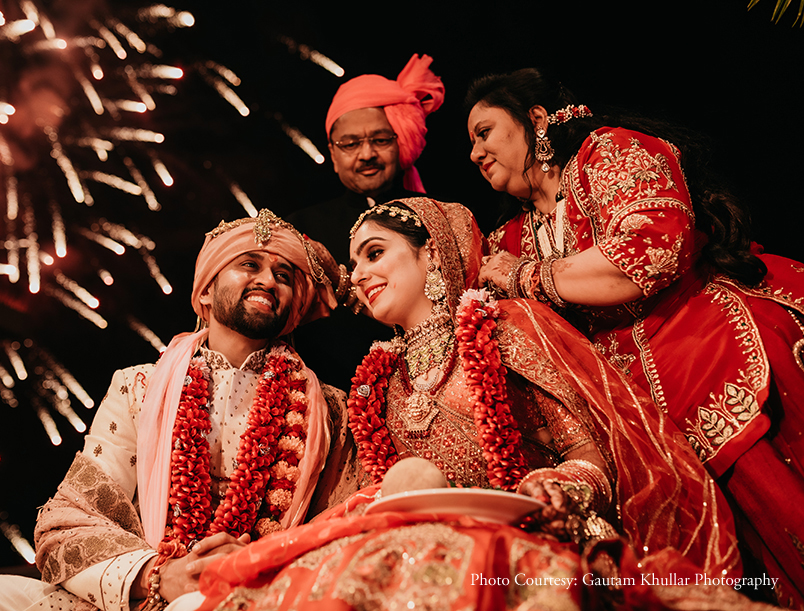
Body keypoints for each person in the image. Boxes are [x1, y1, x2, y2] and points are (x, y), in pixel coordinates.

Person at [191, 198, 773, 611]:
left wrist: (556, 490)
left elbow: (591, 454)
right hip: (421, 554)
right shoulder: (378, 385)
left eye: (374, 253)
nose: (359, 274)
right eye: (356, 262)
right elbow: (365, 501)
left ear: (430, 255)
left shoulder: (505, 329)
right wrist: (261, 549)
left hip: (526, 538)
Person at [0, 209, 359, 611]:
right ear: (205, 293)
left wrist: (247, 568)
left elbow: (343, 527)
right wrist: (161, 575)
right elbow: (66, 522)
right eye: (249, 264)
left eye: (284, 275)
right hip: (134, 588)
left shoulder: (329, 411)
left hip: (252, 594)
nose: (268, 280)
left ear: (295, 308)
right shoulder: (140, 386)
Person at [467, 68, 804, 608]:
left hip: (703, 337)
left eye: (484, 132)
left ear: (536, 119)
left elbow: (647, 252)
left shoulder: (607, 153)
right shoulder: (508, 237)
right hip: (629, 408)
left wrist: (528, 277)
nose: (475, 153)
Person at [286, 54, 446, 392]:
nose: (367, 154)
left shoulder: (438, 214)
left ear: (401, 140)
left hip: (440, 388)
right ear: (333, 154)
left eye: (381, 139)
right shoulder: (300, 229)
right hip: (335, 399)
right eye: (350, 144)